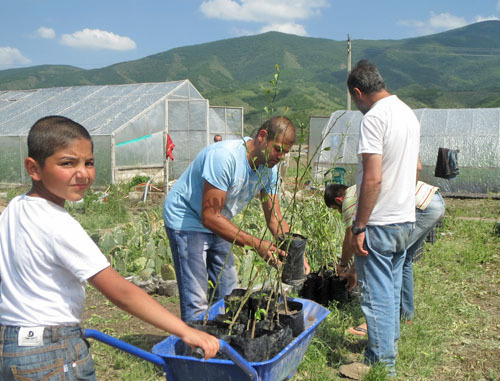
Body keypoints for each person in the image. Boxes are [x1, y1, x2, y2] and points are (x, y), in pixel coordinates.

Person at [0, 116, 219, 381]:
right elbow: (121, 291)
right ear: (34, 169)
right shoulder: (58, 224)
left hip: (11, 345)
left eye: (89, 162)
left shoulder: (15, 208)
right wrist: (186, 331)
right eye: (67, 163)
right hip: (51, 352)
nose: (83, 173)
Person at [163, 116, 310, 322]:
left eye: (285, 152)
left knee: (228, 291)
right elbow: (209, 216)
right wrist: (257, 244)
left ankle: (220, 342)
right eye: (278, 149)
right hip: (187, 219)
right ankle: (196, 348)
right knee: (196, 298)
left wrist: (294, 252)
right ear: (262, 136)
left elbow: (274, 219)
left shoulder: (269, 170)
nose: (281, 156)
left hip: (220, 220)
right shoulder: (224, 157)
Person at [338, 60, 420, 379]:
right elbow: (415, 168)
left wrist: (360, 225)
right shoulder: (407, 114)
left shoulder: (374, 119)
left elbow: (371, 180)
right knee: (393, 285)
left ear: (358, 92)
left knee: (376, 294)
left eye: (354, 99)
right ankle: (390, 344)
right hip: (405, 218)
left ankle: (381, 363)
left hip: (380, 221)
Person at [324, 180, 445, 332]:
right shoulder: (358, 191)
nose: (340, 213)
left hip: (421, 206)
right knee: (404, 259)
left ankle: (375, 324)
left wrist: (342, 266)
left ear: (338, 200)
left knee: (384, 264)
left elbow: (350, 240)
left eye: (337, 209)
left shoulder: (348, 200)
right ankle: (405, 316)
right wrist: (354, 269)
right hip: (433, 201)